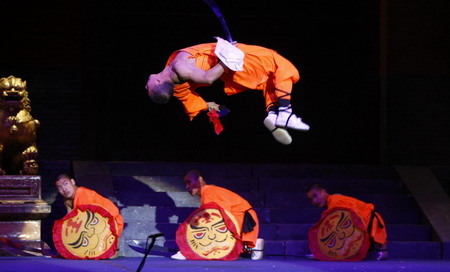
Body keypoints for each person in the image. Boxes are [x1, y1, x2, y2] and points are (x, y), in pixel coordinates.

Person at [145, 39, 310, 145]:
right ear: (159, 81)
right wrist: (229, 56)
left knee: (268, 77)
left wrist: (215, 108)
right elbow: (208, 78)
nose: (146, 87)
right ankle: (285, 112)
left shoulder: (178, 89)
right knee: (278, 64)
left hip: (231, 69)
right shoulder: (179, 67)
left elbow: (194, 102)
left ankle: (273, 113)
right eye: (149, 88)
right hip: (232, 64)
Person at [171, 169, 264, 260]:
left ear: (200, 180)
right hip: (244, 218)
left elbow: (214, 217)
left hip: (244, 219)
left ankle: (187, 252)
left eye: (189, 182)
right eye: (185, 184)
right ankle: (253, 245)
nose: (187, 187)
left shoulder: (208, 191)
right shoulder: (208, 191)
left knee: (204, 228)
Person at [306, 183, 388, 261]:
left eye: (315, 196)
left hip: (369, 221)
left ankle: (381, 248)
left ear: (323, 191)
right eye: (311, 199)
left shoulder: (335, 201)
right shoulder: (334, 200)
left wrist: (322, 251)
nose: (315, 201)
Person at [55, 174, 124, 257]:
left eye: (66, 184)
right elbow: (69, 222)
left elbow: (87, 220)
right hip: (90, 225)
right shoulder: (67, 201)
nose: (64, 189)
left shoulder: (84, 194)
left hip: (111, 222)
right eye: (60, 188)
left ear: (72, 182)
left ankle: (113, 248)